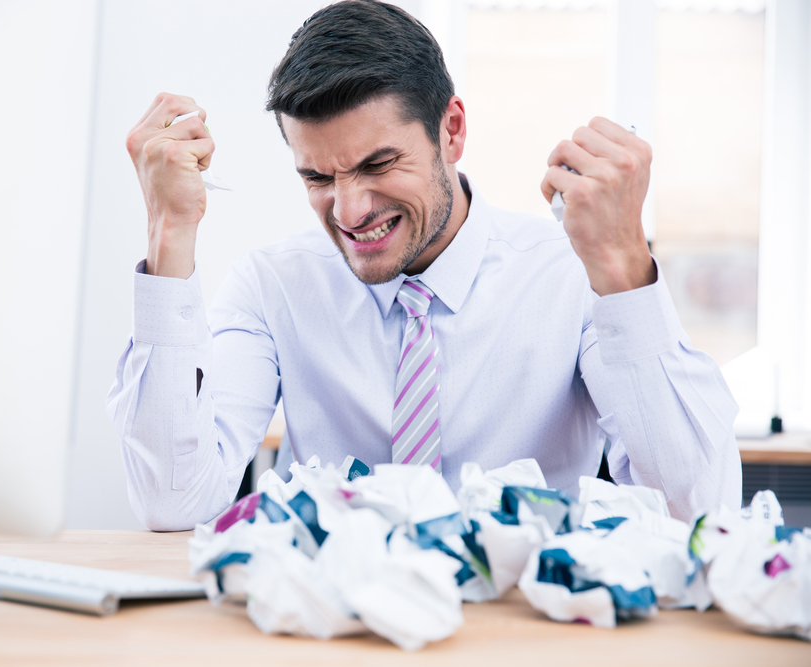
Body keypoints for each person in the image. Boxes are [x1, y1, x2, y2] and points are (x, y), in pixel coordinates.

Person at [107, 0, 741, 531]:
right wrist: (169, 235)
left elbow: (696, 514)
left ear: (452, 130)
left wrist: (622, 267)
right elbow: (174, 505)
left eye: (378, 165)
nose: (349, 211)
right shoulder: (273, 285)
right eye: (318, 177)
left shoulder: (570, 276)